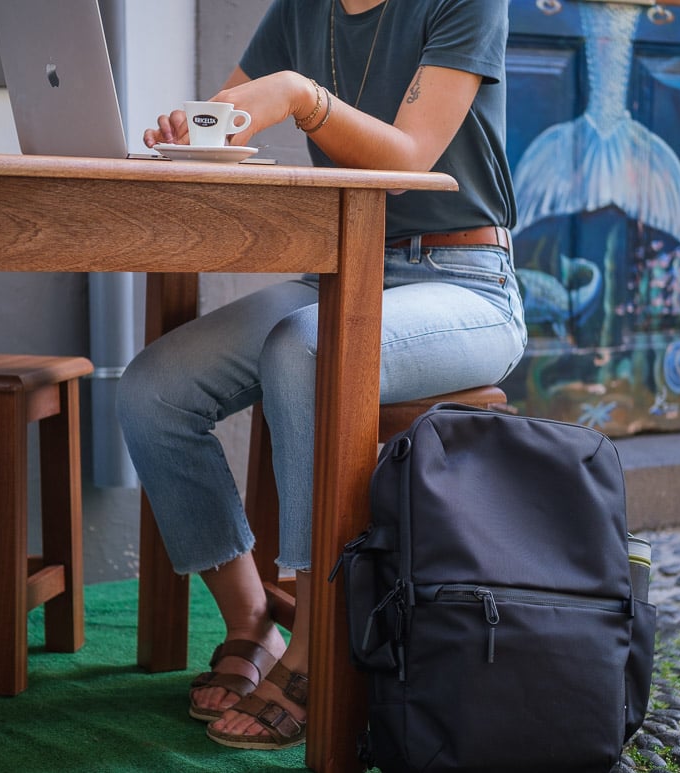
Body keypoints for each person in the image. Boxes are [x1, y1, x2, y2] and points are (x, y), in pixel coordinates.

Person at [118, 0, 526, 751]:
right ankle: (252, 622)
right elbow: (227, 116)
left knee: (302, 350)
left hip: (468, 280)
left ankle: (316, 652)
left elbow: (411, 159)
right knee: (154, 388)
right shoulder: (300, 10)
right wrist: (189, 130)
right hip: (342, 272)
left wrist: (301, 98)